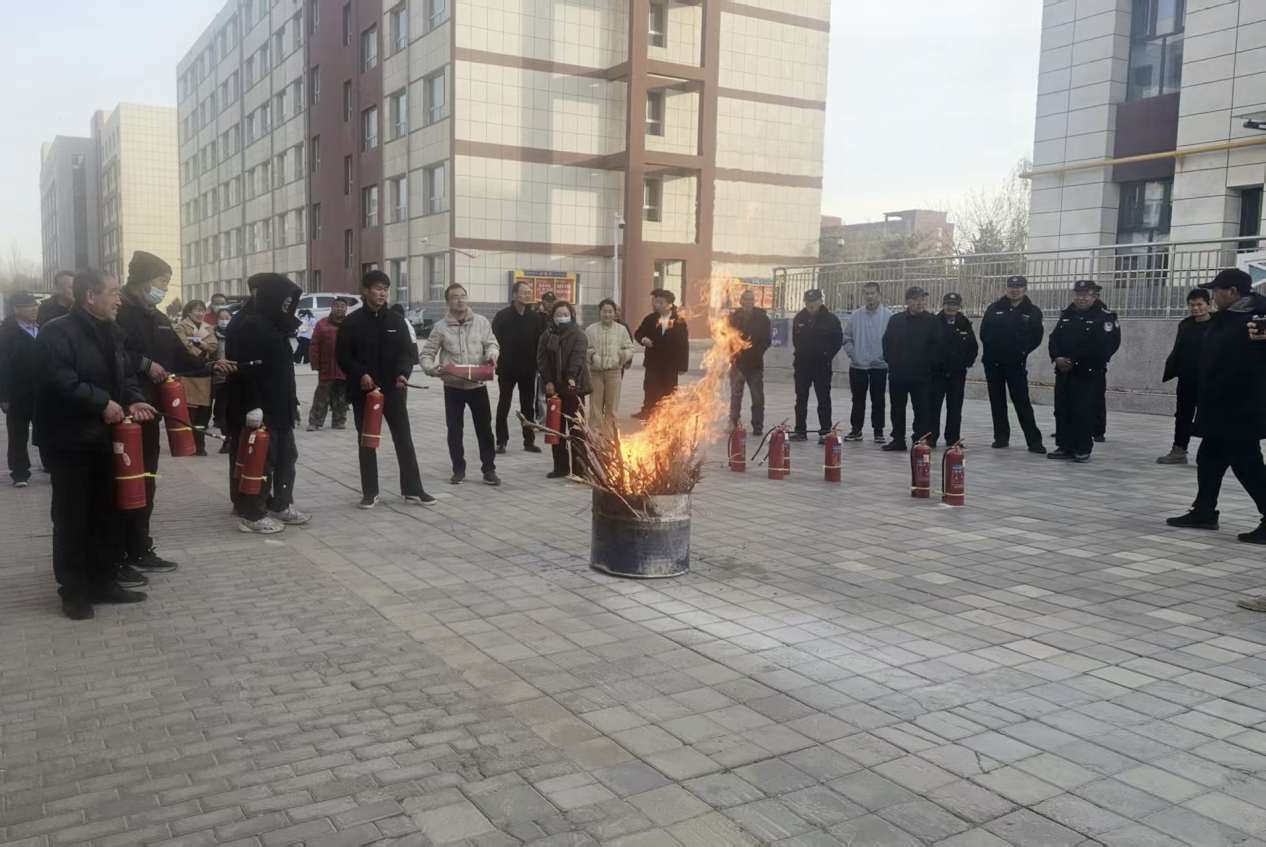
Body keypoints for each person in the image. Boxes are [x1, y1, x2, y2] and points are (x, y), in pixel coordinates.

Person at [36, 269, 158, 619]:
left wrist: (133, 399)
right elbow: (59, 380)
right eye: (113, 292)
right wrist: (101, 402)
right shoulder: (57, 332)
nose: (118, 299)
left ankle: (103, 580)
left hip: (107, 439)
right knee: (73, 518)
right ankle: (74, 591)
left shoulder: (112, 332)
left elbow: (126, 375)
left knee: (108, 513)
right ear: (90, 296)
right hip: (69, 441)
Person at [116, 251, 231, 573]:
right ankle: (117, 551)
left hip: (151, 411)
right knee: (123, 481)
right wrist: (144, 364)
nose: (165, 288)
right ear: (142, 280)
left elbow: (178, 356)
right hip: (123, 412)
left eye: (167, 282)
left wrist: (209, 365)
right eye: (162, 281)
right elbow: (109, 354)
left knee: (146, 478)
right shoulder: (117, 312)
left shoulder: (157, 317)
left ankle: (139, 547)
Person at [1166, 270, 1266, 560]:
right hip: (1219, 404)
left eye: (1216, 290)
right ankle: (1204, 511)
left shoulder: (1257, 318)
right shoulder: (1227, 316)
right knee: (1209, 457)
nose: (1213, 296)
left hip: (1242, 406)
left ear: (1232, 291)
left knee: (1247, 463)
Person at [337, 271, 435, 509]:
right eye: (378, 288)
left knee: (404, 439)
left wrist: (403, 373)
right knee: (367, 441)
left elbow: (407, 352)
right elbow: (343, 356)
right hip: (365, 392)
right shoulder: (352, 322)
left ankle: (413, 489)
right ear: (366, 291)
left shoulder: (396, 321)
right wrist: (361, 374)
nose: (382, 293)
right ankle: (370, 492)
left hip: (393, 389)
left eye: (385, 289)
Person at [224, 273, 309, 532]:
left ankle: (281, 503)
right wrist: (253, 404)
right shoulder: (250, 325)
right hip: (262, 407)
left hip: (281, 406)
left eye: (291, 301)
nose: (287, 305)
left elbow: (284, 370)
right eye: (284, 300)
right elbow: (244, 370)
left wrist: (293, 400)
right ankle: (252, 512)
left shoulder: (275, 324)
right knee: (261, 460)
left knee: (286, 456)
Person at [420, 283, 501, 486]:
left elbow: (492, 343)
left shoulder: (481, 322)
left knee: (484, 429)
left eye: (463, 296)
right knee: (455, 429)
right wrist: (431, 369)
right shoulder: (440, 327)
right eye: (455, 297)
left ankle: (489, 470)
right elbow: (427, 353)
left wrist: (492, 354)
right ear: (448, 301)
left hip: (477, 385)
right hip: (453, 386)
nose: (461, 300)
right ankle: (458, 470)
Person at [1047, 280, 1121, 462]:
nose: (1081, 298)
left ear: (1095, 296)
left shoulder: (1104, 317)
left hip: (1088, 371)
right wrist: (1057, 357)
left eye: (1086, 294)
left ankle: (1082, 447)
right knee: (1062, 408)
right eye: (1078, 294)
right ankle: (1064, 446)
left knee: (1082, 410)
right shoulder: (1067, 314)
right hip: (1064, 370)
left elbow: (1108, 345)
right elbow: (1054, 338)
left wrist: (1076, 360)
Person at [980, 275, 1047, 453]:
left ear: (1025, 289)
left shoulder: (1032, 311)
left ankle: (1034, 441)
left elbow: (1036, 337)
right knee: (997, 402)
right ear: (1006, 288)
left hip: (1016, 363)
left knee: (1022, 402)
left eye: (1018, 287)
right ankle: (1001, 437)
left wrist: (1020, 352)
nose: (1014, 290)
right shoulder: (994, 308)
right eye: (1011, 287)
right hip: (993, 363)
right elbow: (984, 334)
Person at [880, 287, 942, 452]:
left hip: (922, 374)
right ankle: (898, 440)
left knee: (922, 409)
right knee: (897, 409)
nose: (920, 303)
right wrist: (892, 362)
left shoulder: (932, 320)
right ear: (907, 302)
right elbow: (887, 342)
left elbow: (937, 346)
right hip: (898, 373)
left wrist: (930, 365)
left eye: (922, 299)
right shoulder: (896, 319)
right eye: (916, 299)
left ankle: (919, 440)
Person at [1158, 289, 1213, 465]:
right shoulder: (1185, 324)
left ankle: (1211, 455)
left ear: (1208, 304)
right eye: (1192, 305)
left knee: (1210, 416)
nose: (1196, 308)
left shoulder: (1218, 324)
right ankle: (1179, 450)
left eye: (1200, 304)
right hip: (1187, 377)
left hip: (1210, 379)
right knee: (1183, 414)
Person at [538, 300, 591, 479]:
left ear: (572, 316)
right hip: (554, 389)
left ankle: (580, 469)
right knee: (556, 429)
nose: (562, 318)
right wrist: (548, 380)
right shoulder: (547, 335)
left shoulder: (579, 335)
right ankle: (560, 467)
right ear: (552, 317)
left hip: (574, 388)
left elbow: (578, 357)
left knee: (576, 430)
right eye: (558, 315)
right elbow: (542, 359)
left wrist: (571, 377)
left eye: (565, 314)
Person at [492, 281, 544, 453]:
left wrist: (538, 365)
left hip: (528, 369)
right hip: (507, 368)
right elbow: (493, 341)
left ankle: (529, 441)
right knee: (504, 404)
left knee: (528, 406)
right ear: (514, 294)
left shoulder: (534, 317)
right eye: (524, 292)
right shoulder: (502, 316)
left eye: (529, 292)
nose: (527, 295)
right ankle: (501, 441)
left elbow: (539, 343)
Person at [0, 292, 43, 487]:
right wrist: (4, 396)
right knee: (18, 434)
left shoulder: (42, 329)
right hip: (17, 393)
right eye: (28, 306)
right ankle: (19, 473)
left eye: (35, 305)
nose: (34, 309)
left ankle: (50, 464)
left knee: (46, 430)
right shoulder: (6, 334)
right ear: (16, 309)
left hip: (42, 391)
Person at [841, 282, 892, 443]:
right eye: (866, 293)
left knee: (878, 400)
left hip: (879, 365)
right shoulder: (856, 315)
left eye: (872, 293)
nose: (869, 296)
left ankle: (878, 431)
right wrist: (854, 355)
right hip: (858, 365)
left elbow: (893, 340)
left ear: (879, 295)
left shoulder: (888, 315)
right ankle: (856, 430)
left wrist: (886, 357)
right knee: (857, 399)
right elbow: (847, 338)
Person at [791, 289, 843, 443]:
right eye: (808, 301)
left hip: (821, 365)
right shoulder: (799, 318)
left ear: (820, 301)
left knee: (823, 398)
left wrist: (826, 355)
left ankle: (825, 431)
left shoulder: (830, 319)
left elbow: (837, 341)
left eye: (814, 301)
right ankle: (800, 430)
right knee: (801, 398)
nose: (811, 304)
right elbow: (795, 340)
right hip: (802, 365)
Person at [927, 292, 979, 448]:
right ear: (943, 305)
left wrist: (966, 363)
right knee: (933, 407)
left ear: (959, 306)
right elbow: (927, 346)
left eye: (954, 304)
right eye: (948, 304)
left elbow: (972, 346)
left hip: (957, 373)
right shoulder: (934, 322)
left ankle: (953, 439)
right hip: (937, 373)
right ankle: (931, 438)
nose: (951, 307)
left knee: (955, 408)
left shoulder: (964, 322)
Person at [633, 289, 690, 419]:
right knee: (650, 387)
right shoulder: (651, 318)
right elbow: (638, 333)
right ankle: (647, 410)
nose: (657, 305)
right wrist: (643, 339)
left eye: (661, 303)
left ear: (669, 304)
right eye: (656, 302)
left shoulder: (678, 320)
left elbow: (683, 344)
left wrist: (683, 366)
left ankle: (666, 415)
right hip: (653, 362)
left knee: (669, 389)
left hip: (671, 364)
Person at [174, 300, 217, 456]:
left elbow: (213, 345)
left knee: (204, 413)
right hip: (188, 372)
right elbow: (184, 345)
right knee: (190, 412)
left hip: (204, 373)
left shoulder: (208, 327)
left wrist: (198, 343)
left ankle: (200, 444)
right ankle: (189, 444)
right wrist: (202, 350)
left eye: (202, 310)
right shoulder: (181, 326)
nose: (200, 313)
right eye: (197, 310)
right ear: (189, 311)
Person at [586, 298, 638, 429]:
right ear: (600, 312)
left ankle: (610, 437)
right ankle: (594, 437)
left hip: (614, 373)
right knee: (595, 409)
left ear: (615, 313)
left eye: (610, 312)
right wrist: (591, 355)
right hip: (595, 373)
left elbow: (630, 348)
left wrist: (621, 356)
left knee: (612, 409)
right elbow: (583, 348)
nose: (607, 314)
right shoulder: (590, 330)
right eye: (604, 311)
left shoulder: (621, 330)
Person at [728, 290, 771, 436]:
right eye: (746, 299)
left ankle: (758, 425)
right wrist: (733, 353)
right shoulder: (734, 318)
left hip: (755, 364)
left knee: (757, 396)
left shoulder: (762, 318)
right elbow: (727, 337)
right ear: (741, 301)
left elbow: (767, 340)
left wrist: (757, 352)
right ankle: (734, 423)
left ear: (754, 301)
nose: (748, 302)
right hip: (737, 362)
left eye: (751, 299)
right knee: (735, 395)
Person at [307, 296, 350, 432]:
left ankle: (339, 420)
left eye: (342, 306)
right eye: (337, 306)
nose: (339, 309)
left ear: (346, 309)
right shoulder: (322, 324)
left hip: (344, 368)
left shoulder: (350, 324)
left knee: (341, 396)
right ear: (332, 308)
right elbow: (314, 345)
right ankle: (315, 421)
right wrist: (315, 363)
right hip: (326, 367)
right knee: (321, 395)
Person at [211, 307, 233, 453]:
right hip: (218, 378)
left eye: (227, 318)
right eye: (221, 318)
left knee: (231, 411)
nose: (224, 321)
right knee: (221, 412)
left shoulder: (237, 333)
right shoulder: (212, 336)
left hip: (234, 377)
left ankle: (232, 440)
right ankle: (227, 439)